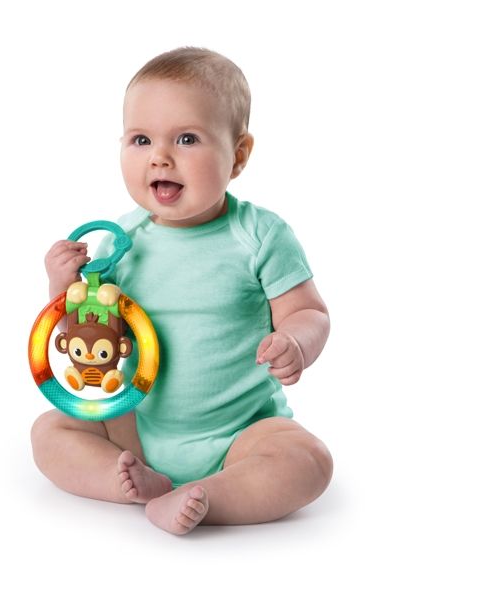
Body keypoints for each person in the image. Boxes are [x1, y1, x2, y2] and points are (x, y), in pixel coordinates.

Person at [32, 47, 333, 535]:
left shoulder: (259, 235)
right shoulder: (120, 245)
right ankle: (128, 483)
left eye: (187, 139)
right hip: (137, 425)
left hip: (241, 431)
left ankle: (208, 495)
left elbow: (309, 311)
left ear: (238, 156)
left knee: (309, 459)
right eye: (141, 139)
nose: (160, 156)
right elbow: (94, 342)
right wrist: (63, 288)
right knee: (50, 431)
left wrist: (296, 341)